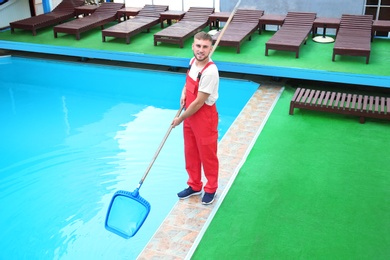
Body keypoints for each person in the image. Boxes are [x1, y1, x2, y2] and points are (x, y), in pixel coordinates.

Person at [172, 31, 219, 205]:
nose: (200, 50)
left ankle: (211, 188)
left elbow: (199, 102)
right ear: (193, 46)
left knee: (207, 154)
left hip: (204, 117)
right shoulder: (193, 62)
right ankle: (194, 185)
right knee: (190, 152)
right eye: (198, 46)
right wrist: (183, 92)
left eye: (205, 47)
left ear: (210, 49)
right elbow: (188, 83)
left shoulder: (210, 72)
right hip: (190, 115)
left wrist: (180, 119)